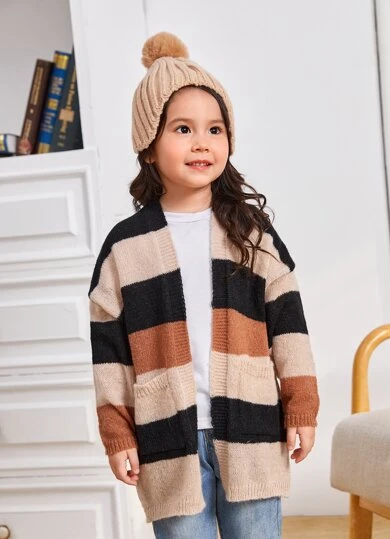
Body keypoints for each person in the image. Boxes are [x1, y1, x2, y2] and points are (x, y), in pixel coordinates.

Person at [88, 31, 320, 539]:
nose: (202, 142)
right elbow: (109, 350)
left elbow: (289, 325)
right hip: (167, 437)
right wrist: (117, 432)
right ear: (149, 146)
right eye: (182, 129)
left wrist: (301, 403)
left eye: (215, 129)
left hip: (253, 428)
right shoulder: (126, 247)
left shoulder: (251, 234)